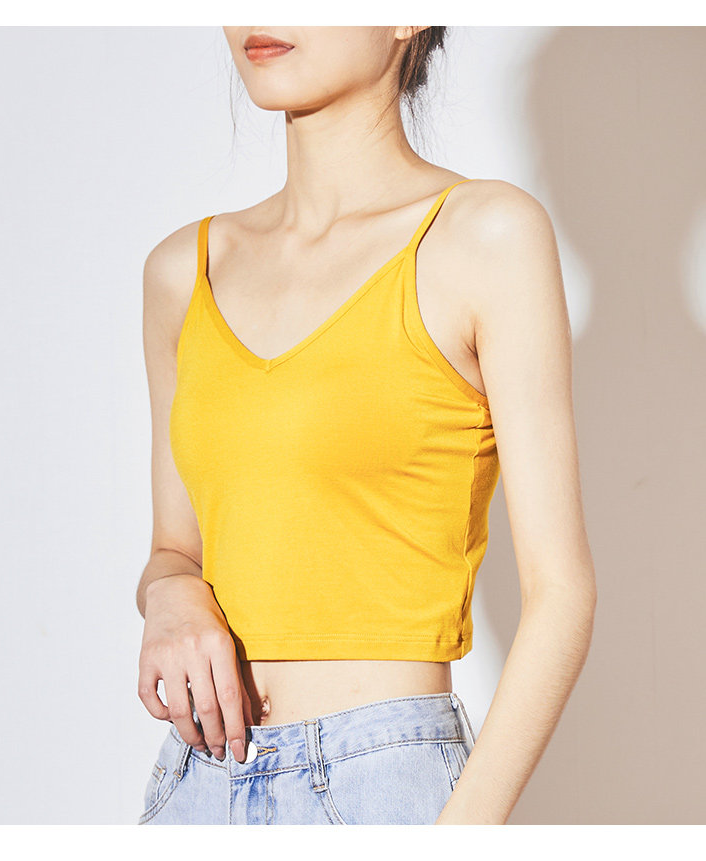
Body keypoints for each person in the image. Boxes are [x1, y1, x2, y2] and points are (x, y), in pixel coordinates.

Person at [135, 26, 597, 826]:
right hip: (196, 780)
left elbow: (562, 594)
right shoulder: (184, 269)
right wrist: (169, 594)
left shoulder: (483, 236)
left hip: (381, 785)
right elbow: (175, 547)